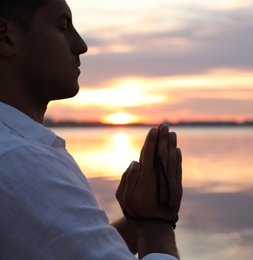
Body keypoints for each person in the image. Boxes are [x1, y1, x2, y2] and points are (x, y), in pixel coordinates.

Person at [0, 0, 183, 259]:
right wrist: (157, 224)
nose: (81, 45)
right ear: (6, 37)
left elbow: (61, 247)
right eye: (63, 26)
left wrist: (136, 222)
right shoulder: (20, 159)